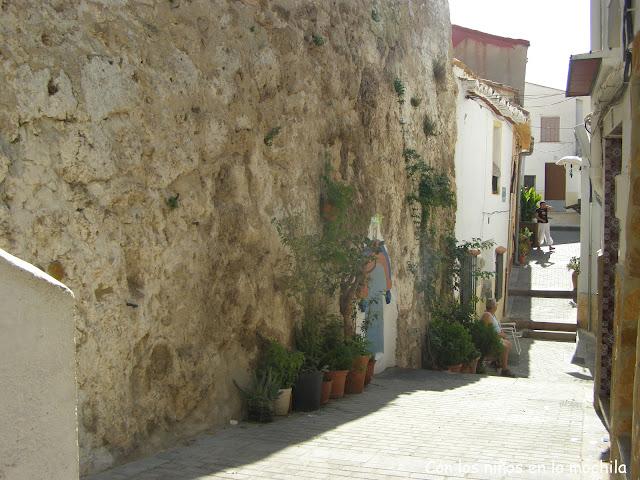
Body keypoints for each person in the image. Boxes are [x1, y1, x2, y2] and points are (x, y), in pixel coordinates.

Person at [481, 298, 516, 377]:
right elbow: (488, 332)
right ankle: (504, 369)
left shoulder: (492, 315)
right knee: (505, 347)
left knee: (508, 344)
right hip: (491, 339)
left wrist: (503, 335)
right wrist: (501, 335)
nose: (497, 306)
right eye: (496, 304)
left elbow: (497, 329)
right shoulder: (487, 315)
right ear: (494, 307)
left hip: (496, 337)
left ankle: (496, 362)